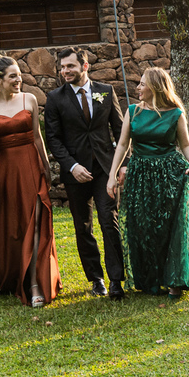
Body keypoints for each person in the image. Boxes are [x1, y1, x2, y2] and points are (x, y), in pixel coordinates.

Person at [0, 54, 61, 307]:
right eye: (13, 76)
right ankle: (14, 276)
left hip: (31, 168)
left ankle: (34, 282)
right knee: (15, 227)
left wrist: (46, 167)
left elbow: (36, 137)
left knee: (35, 223)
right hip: (5, 173)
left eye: (19, 75)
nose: (18, 80)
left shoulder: (29, 99)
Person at [106, 67, 189, 296]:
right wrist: (112, 175)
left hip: (169, 173)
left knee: (170, 226)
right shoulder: (133, 112)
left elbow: (185, 144)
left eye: (142, 84)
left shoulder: (176, 113)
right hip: (140, 173)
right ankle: (150, 279)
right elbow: (122, 145)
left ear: (155, 87)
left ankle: (175, 280)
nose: (138, 88)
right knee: (143, 225)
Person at [44, 47, 126, 300]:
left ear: (85, 66)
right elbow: (53, 139)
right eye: (62, 67)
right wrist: (71, 166)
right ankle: (96, 278)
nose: (65, 71)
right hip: (75, 172)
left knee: (108, 221)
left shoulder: (106, 91)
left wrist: (122, 165)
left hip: (105, 169)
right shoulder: (55, 98)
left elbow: (121, 130)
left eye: (70, 66)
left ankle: (115, 280)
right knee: (83, 226)